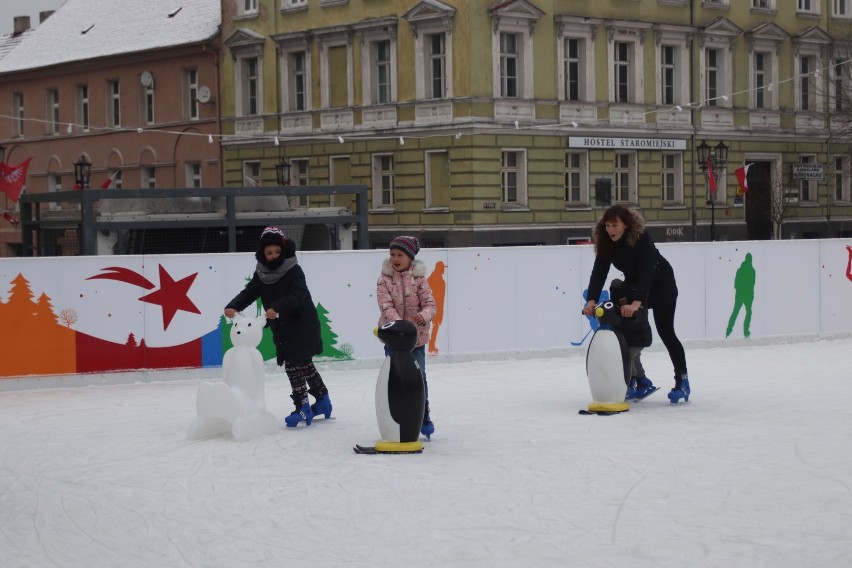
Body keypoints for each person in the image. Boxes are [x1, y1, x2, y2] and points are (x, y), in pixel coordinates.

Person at [224, 226, 331, 427]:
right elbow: (249, 293)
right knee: (304, 365)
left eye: (277, 252)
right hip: (282, 327)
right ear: (262, 254)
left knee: (293, 365)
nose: (273, 257)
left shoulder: (294, 270)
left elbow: (298, 295)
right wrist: (233, 305)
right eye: (269, 253)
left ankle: (303, 407)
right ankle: (323, 400)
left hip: (302, 324)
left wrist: (276, 307)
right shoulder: (262, 274)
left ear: (284, 250)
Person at [582, 205, 690, 404]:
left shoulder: (641, 238)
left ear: (626, 225)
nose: (610, 230)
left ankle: (682, 381)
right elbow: (599, 271)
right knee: (625, 330)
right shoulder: (607, 242)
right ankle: (638, 379)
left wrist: (636, 303)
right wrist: (591, 300)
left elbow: (647, 271)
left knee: (666, 332)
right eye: (607, 225)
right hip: (634, 285)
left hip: (661, 284)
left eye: (615, 225)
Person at [377, 236, 438, 437]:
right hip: (394, 339)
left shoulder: (420, 280)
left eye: (400, 255)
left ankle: (423, 413)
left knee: (418, 377)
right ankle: (394, 414)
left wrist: (422, 317)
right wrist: (398, 326)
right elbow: (386, 306)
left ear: (410, 257)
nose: (395, 258)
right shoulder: (384, 279)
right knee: (394, 378)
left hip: (416, 341)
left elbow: (431, 306)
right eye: (392, 254)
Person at [608, 279, 654, 400]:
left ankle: (630, 382)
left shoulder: (636, 302)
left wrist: (632, 315)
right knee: (634, 359)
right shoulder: (617, 304)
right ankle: (643, 381)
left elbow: (639, 317)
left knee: (628, 358)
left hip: (638, 337)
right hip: (630, 338)